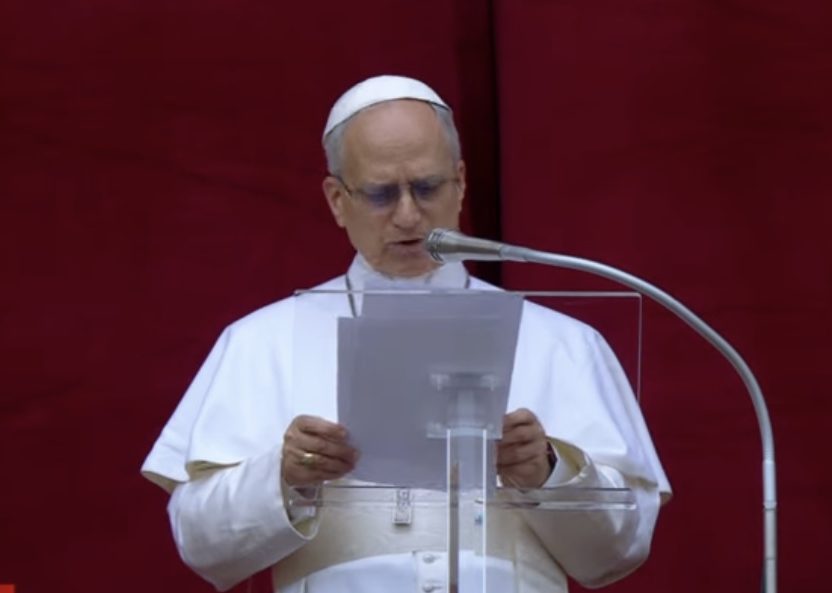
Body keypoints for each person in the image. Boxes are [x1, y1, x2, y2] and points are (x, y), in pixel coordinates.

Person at [141, 75, 671, 593]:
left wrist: (549, 472)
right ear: (336, 199)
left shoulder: (563, 342)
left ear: (460, 183)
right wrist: (284, 478)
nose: (408, 214)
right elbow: (199, 543)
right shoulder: (261, 342)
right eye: (379, 193)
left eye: (427, 187)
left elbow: (618, 555)